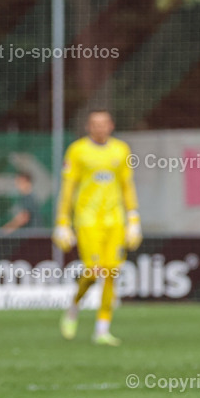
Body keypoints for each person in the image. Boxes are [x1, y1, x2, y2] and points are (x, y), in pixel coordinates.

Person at [52, 110, 141, 346]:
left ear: (111, 126)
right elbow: (68, 189)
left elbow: (127, 185)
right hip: (87, 219)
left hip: (115, 220)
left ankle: (102, 329)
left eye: (103, 124)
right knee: (93, 271)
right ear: (88, 127)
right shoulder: (78, 151)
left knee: (111, 273)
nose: (99, 128)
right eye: (94, 124)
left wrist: (133, 218)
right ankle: (74, 306)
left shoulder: (121, 150)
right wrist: (62, 222)